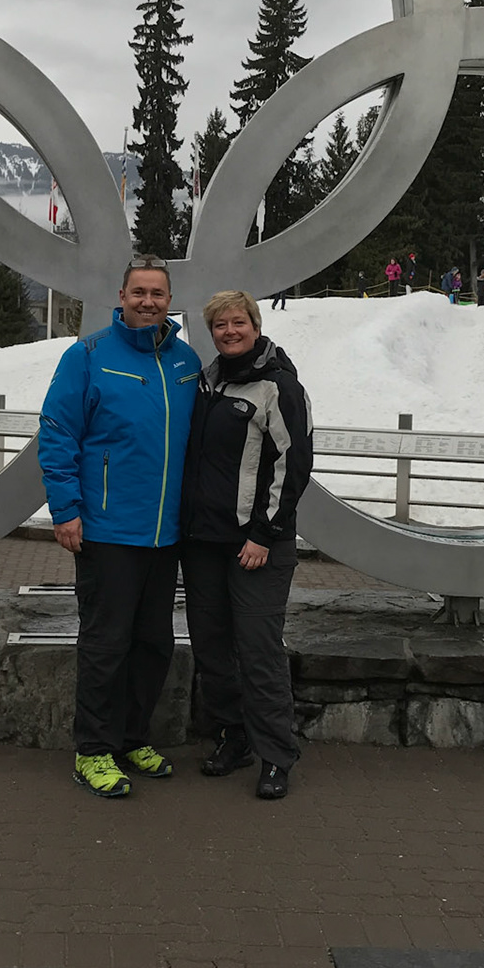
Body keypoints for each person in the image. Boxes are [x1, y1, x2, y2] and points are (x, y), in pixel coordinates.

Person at [39, 253, 202, 799]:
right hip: (108, 530)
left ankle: (132, 738)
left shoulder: (185, 361)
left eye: (157, 294)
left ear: (169, 300)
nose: (148, 302)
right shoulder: (87, 357)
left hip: (166, 534)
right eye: (139, 292)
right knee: (106, 645)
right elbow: (57, 431)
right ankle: (93, 750)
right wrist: (66, 509)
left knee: (153, 644)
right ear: (122, 297)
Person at [181, 290, 313, 800]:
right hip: (204, 544)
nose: (230, 332)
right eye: (220, 325)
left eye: (239, 322)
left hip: (257, 546)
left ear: (256, 326)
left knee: (258, 651)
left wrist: (263, 533)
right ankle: (232, 737)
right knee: (213, 649)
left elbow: (293, 466)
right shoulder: (207, 382)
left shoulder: (279, 387)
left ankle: (276, 754)